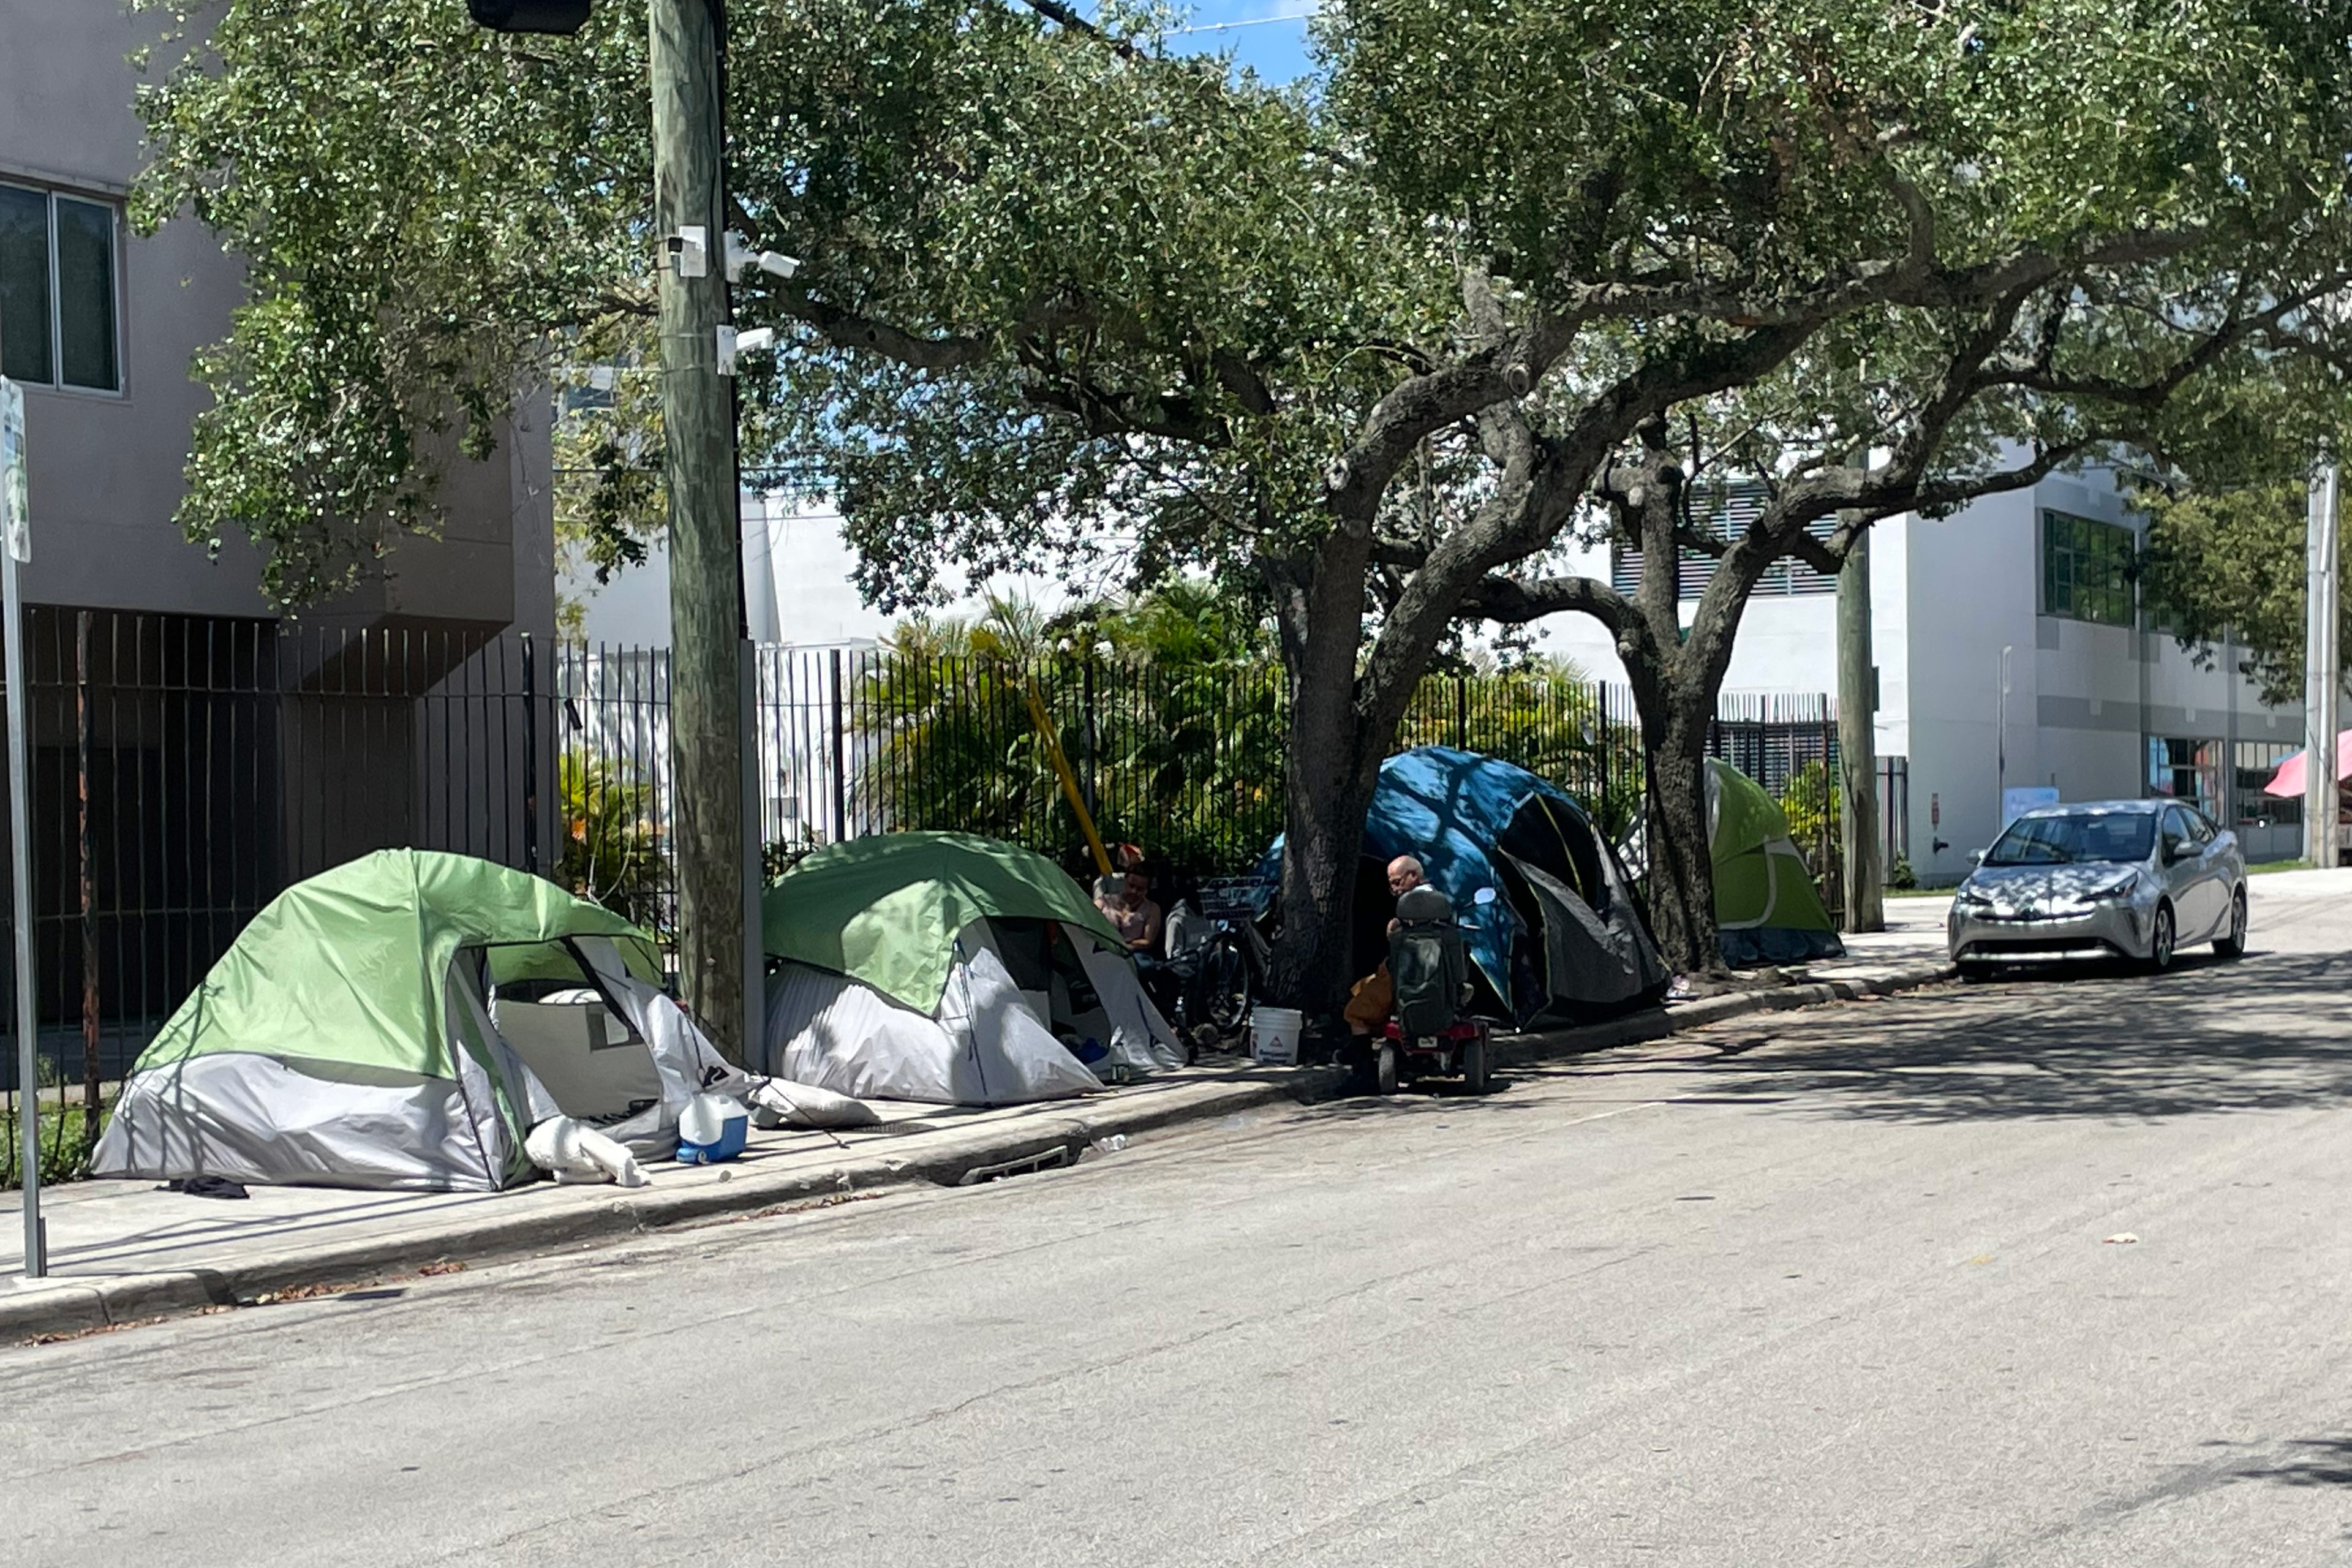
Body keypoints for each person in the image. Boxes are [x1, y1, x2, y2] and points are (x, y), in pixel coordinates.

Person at [1344, 855, 1426, 1036]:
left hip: (1400, 975)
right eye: (1392, 885)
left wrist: (1393, 932)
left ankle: (1362, 1060)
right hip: (1419, 974)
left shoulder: (1413, 905)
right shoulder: (1440, 903)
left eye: (1397, 882)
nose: (1395, 889)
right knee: (1358, 988)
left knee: (1354, 1012)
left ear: (1413, 875)